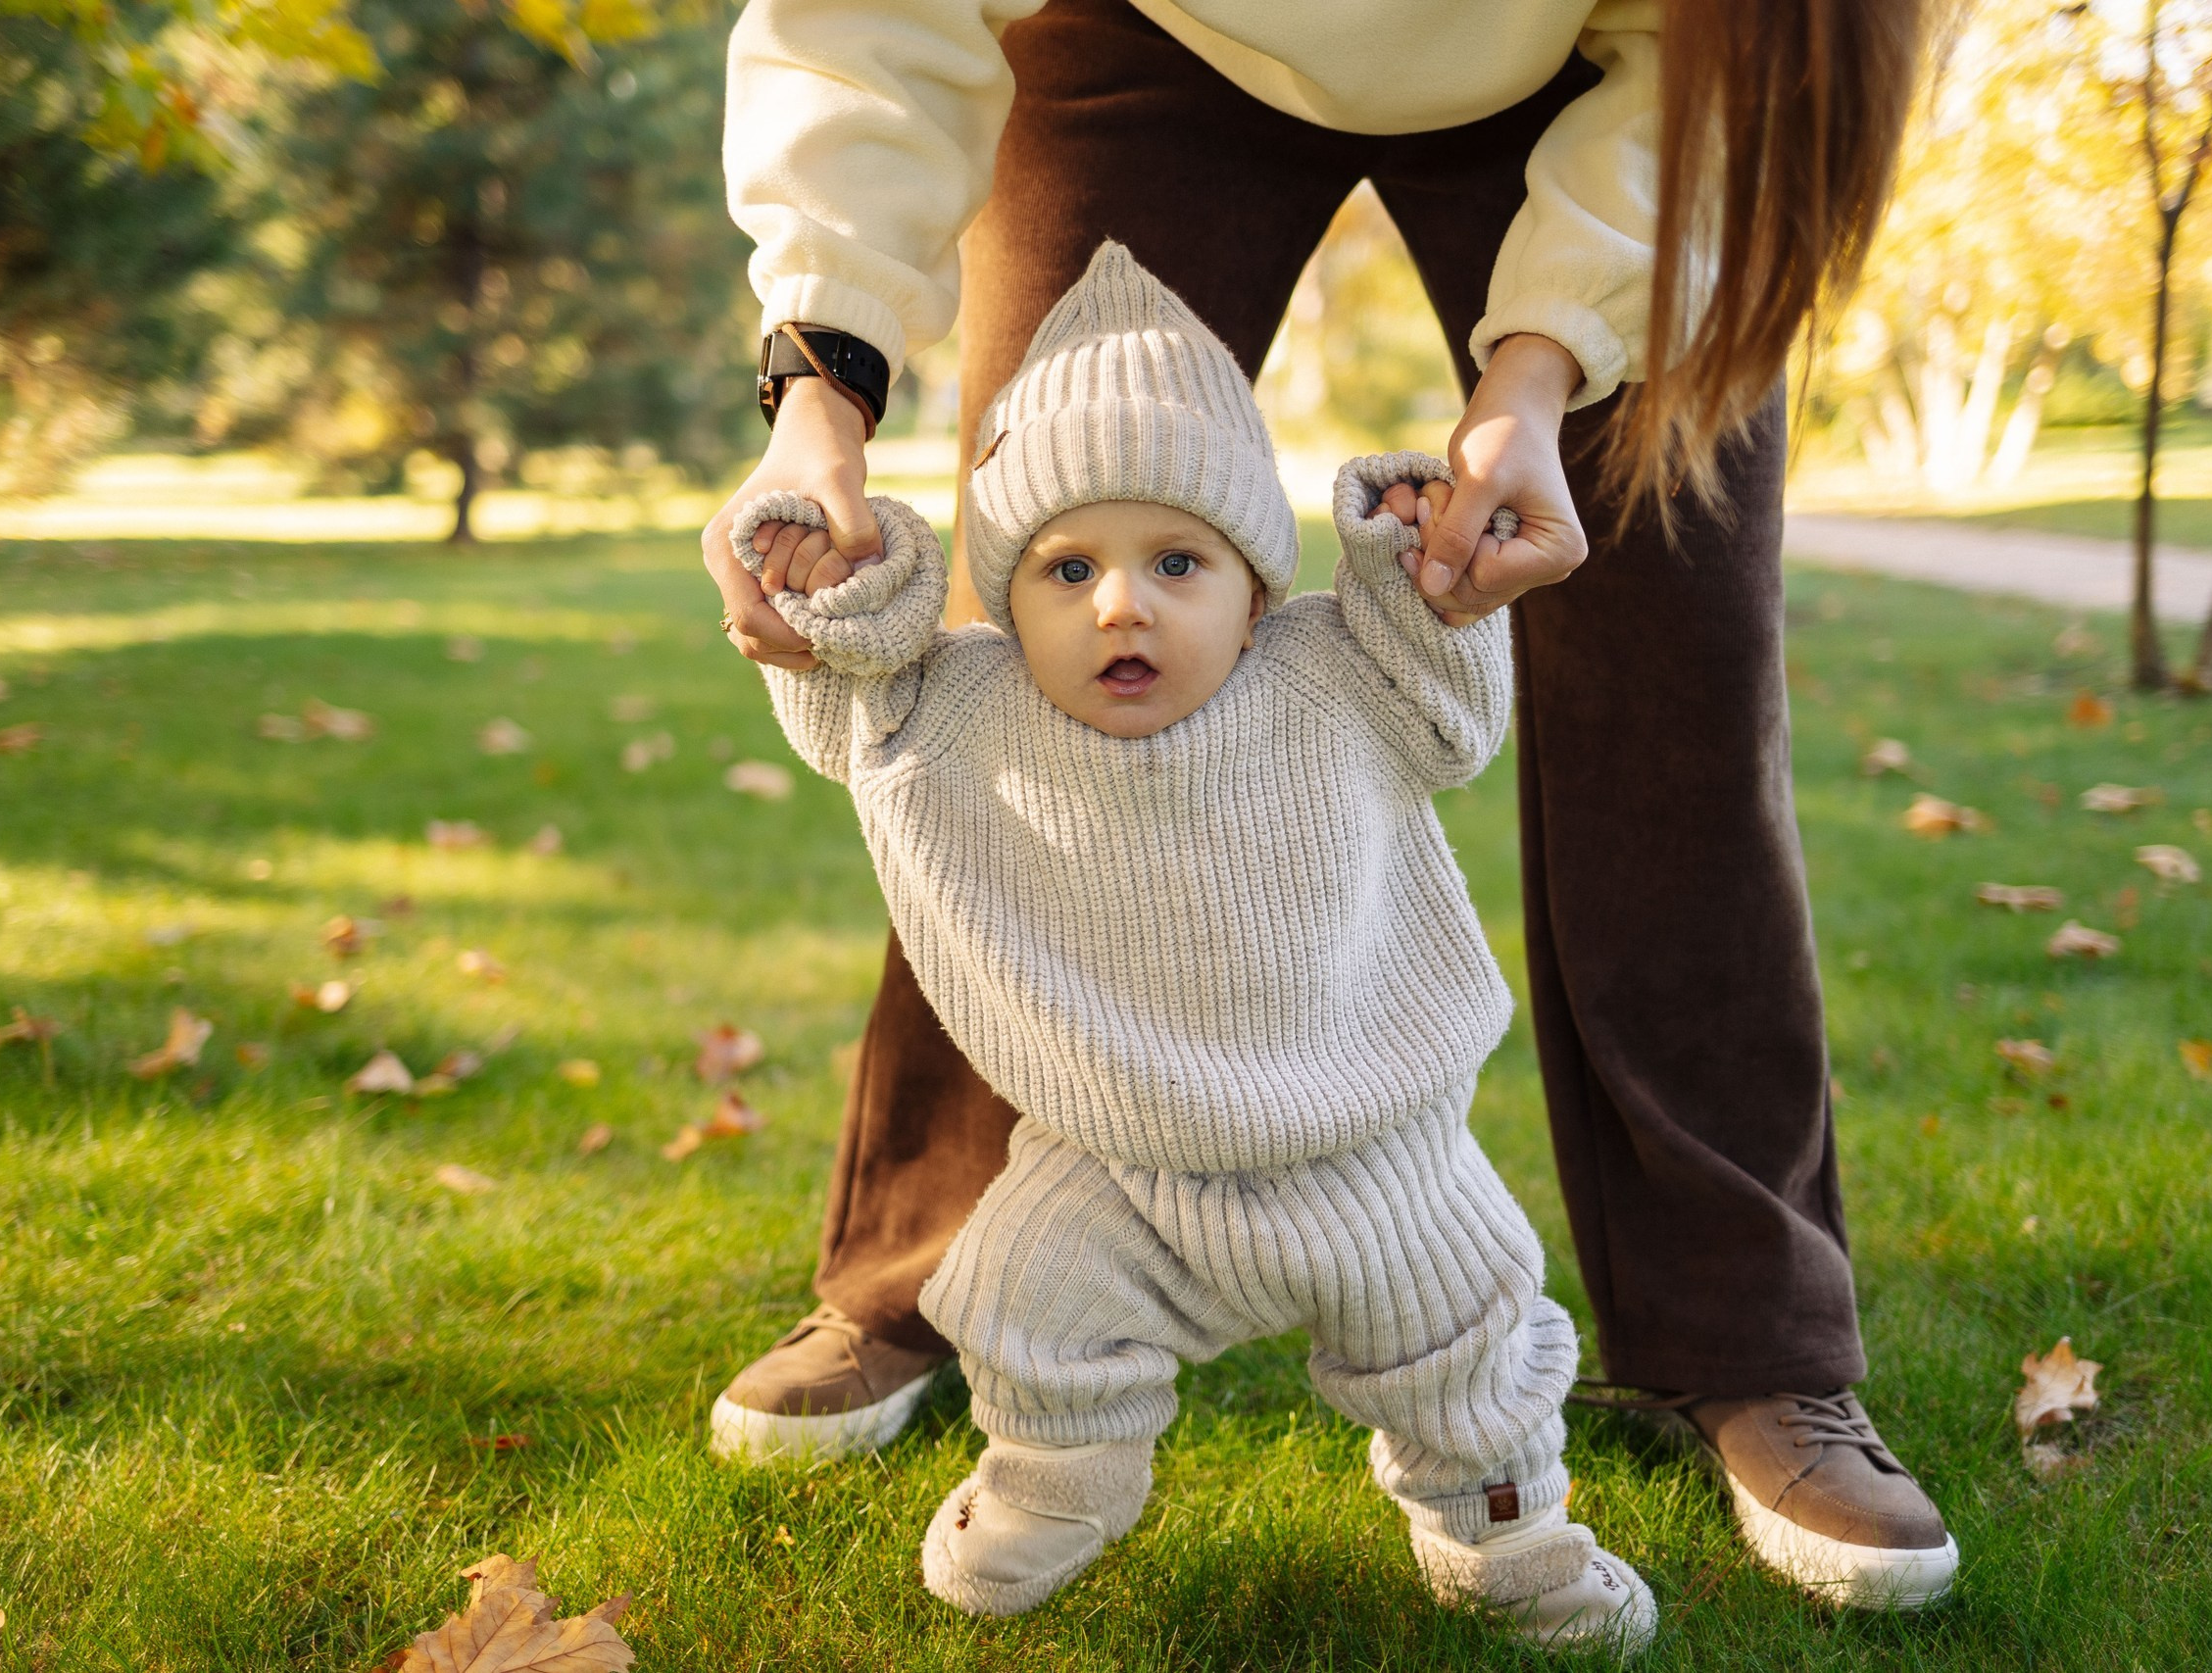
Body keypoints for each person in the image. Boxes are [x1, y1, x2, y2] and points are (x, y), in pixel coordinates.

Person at [704, 0, 1960, 1612]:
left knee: (1679, 691)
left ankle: (1750, 1335)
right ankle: (926, 1274)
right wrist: (820, 397)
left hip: (1596, 66)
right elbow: (863, 22)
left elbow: (1727, 86)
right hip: (1145, 34)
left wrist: (1540, 369)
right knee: (1021, 672)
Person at [728, 242, 1654, 1651]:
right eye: (1065, 567)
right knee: (1022, 1311)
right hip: (1120, 1168)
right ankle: (1056, 1481)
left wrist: (1417, 567)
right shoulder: (973, 712)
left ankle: (1508, 1534)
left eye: (1178, 561)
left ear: (1255, 584)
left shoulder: (1330, 671)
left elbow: (1452, 707)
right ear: (1004, 594)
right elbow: (860, 694)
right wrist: (839, 580)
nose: (1121, 605)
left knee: (1472, 1350)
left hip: (1378, 1156)